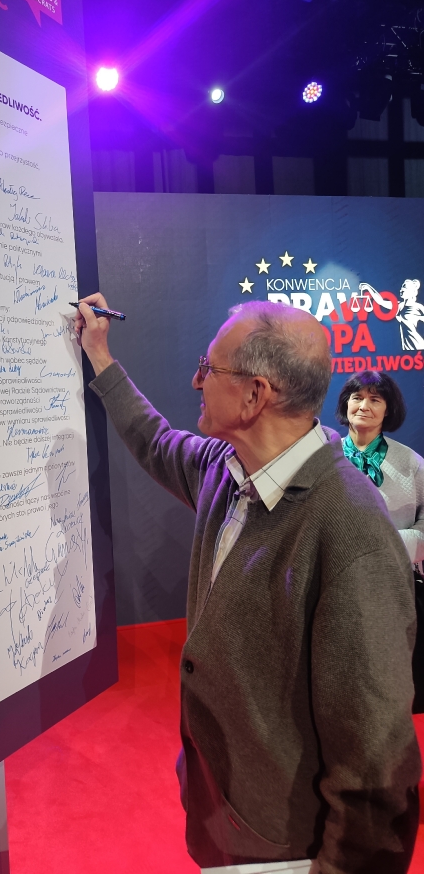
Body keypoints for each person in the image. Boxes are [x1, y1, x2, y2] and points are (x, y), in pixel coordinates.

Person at [74, 294, 420, 874]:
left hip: (283, 851)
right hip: (223, 814)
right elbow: (154, 441)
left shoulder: (351, 529)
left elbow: (376, 765)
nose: (196, 379)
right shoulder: (224, 467)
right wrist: (100, 357)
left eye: (208, 368)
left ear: (255, 394)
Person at [335, 370, 424, 710]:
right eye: (357, 397)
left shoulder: (412, 463)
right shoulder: (323, 457)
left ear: (389, 409)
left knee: (392, 685)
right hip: (335, 584)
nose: (364, 406)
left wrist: (390, 544)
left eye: (375, 399)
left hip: (394, 585)